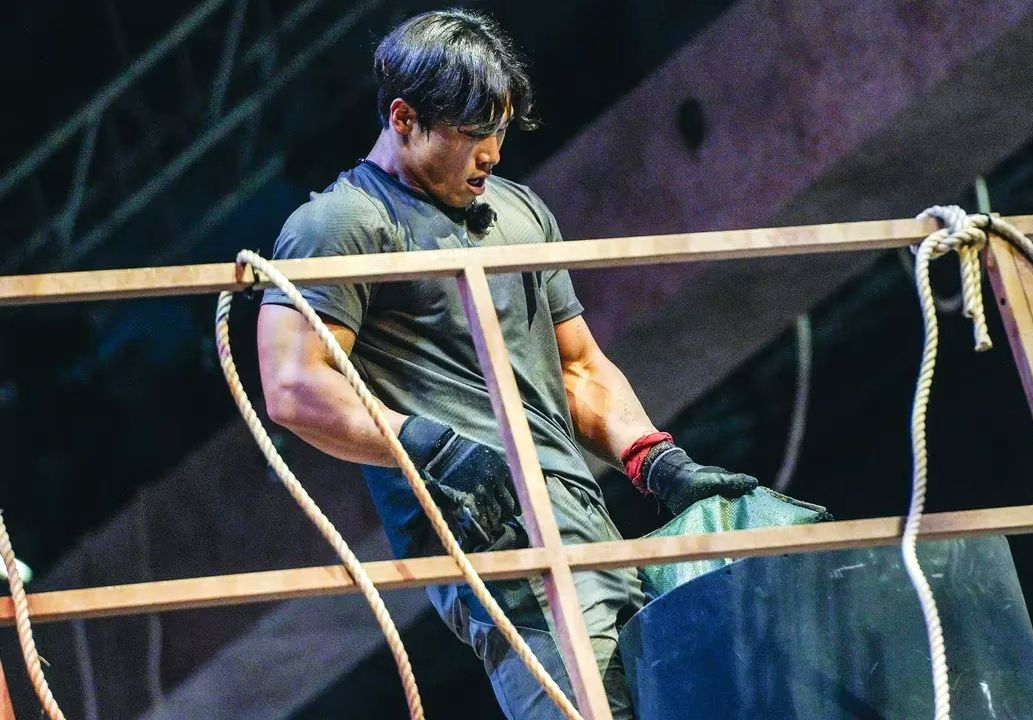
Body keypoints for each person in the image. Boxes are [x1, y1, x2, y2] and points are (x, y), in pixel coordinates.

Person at [255, 10, 757, 719]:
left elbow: (579, 365)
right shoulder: (340, 224)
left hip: (586, 517)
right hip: (493, 543)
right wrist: (435, 448)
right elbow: (292, 385)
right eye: (470, 133)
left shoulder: (517, 212)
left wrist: (654, 459)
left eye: (497, 129)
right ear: (403, 118)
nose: (491, 152)